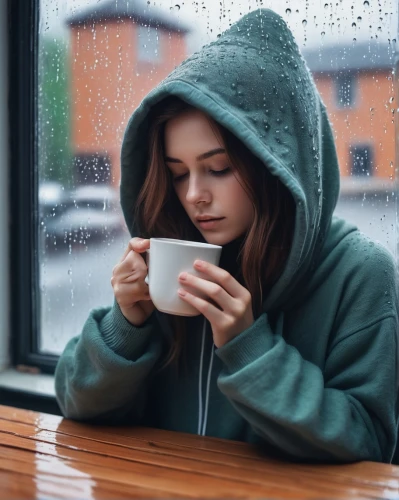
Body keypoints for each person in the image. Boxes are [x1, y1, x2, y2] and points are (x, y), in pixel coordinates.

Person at [54, 8, 399, 463]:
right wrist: (125, 326)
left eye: (218, 168)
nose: (194, 195)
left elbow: (370, 445)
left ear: (277, 164)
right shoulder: (171, 256)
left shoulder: (358, 274)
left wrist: (248, 346)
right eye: (178, 174)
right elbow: (75, 402)